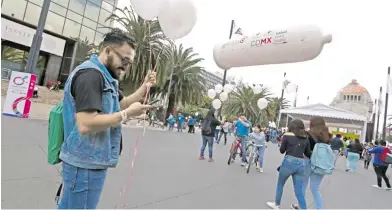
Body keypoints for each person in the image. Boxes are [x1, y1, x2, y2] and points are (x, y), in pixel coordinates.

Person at [58, 29, 155, 209]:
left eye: (130, 63)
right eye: (124, 60)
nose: (126, 66)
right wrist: (127, 115)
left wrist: (145, 86)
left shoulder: (104, 76)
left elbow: (123, 103)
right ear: (108, 51)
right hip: (84, 164)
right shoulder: (91, 76)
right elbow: (86, 124)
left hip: (86, 162)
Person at [266, 119, 311, 210]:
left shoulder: (287, 135)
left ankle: (276, 204)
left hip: (289, 161)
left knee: (280, 184)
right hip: (301, 163)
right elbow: (308, 153)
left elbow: (282, 151)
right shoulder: (305, 137)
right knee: (298, 190)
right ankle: (303, 208)